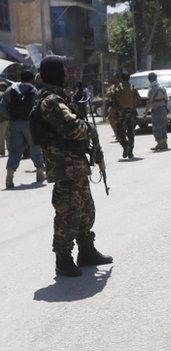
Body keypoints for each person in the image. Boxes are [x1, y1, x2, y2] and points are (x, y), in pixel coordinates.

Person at [29, 56, 112, 276]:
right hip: (64, 167)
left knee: (85, 209)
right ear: (56, 74)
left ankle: (86, 251)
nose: (67, 75)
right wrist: (90, 129)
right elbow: (73, 128)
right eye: (63, 71)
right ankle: (63, 259)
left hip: (75, 165)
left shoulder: (60, 97)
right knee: (68, 213)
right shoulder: (51, 101)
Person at [2, 70, 45, 188]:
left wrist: (10, 117)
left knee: (15, 150)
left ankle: (9, 177)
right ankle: (40, 173)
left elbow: (3, 106)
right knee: (35, 147)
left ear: (20, 78)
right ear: (32, 79)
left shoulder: (10, 89)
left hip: (15, 124)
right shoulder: (34, 90)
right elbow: (38, 108)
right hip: (30, 124)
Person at [111, 72, 140, 158]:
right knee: (131, 132)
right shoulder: (132, 87)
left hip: (121, 114)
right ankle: (130, 152)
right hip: (131, 113)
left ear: (121, 79)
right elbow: (139, 99)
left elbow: (114, 101)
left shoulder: (118, 88)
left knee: (119, 132)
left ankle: (125, 146)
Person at [144, 72, 169, 151]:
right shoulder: (162, 87)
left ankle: (160, 143)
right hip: (163, 108)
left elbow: (149, 101)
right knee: (163, 125)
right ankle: (164, 143)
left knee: (156, 126)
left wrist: (145, 113)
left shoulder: (152, 88)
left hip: (156, 109)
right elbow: (166, 99)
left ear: (149, 80)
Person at [0, 82, 9, 156]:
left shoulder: (1, 94)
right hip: (9, 117)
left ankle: (2, 151)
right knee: (8, 135)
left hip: (1, 118)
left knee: (1, 136)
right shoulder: (8, 93)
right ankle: (10, 149)